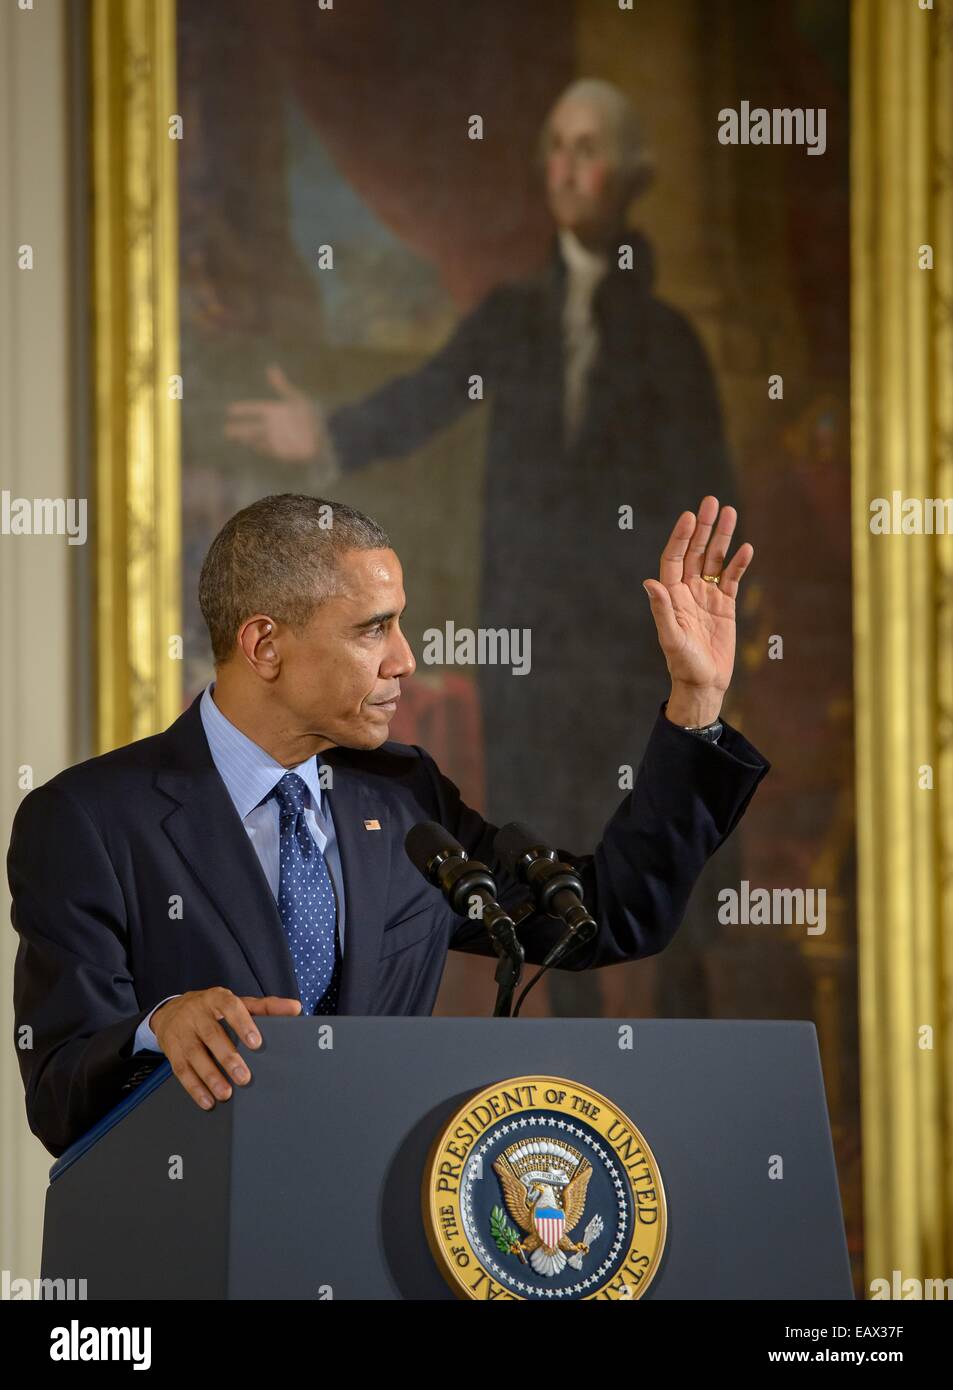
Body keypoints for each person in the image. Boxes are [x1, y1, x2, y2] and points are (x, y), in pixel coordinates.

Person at [9, 493, 768, 1157]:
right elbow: (60, 1089)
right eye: (374, 629)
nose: (406, 659)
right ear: (265, 645)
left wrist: (694, 706)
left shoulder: (403, 794)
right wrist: (158, 1028)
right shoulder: (89, 820)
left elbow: (605, 918)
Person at [223, 80, 736, 1017]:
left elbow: (713, 494)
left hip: (628, 658)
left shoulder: (668, 344)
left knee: (619, 893)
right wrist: (329, 430)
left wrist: (695, 691)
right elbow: (428, 395)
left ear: (631, 177)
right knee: (552, 846)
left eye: (589, 148)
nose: (568, 167)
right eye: (556, 146)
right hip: (531, 654)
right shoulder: (513, 315)